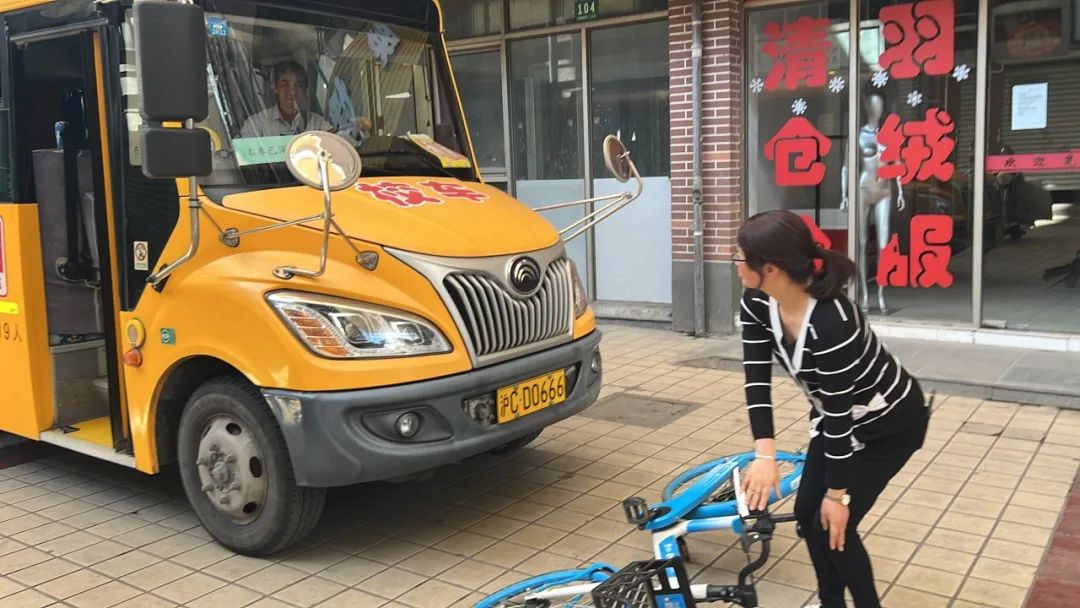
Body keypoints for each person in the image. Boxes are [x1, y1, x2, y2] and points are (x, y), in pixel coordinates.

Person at [735, 210, 930, 608]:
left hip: (890, 426)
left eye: (740, 257)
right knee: (809, 517)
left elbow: (840, 414)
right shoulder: (757, 302)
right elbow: (757, 381)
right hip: (836, 420)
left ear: (769, 267)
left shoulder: (833, 320)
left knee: (833, 523)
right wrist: (764, 454)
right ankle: (831, 602)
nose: (736, 266)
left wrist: (838, 497)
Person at [240, 61, 371, 141]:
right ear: (275, 87)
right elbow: (241, 156)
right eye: (285, 84)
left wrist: (355, 128)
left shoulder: (317, 123)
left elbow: (337, 141)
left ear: (305, 89)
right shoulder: (256, 124)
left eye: (298, 85)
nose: (292, 91)